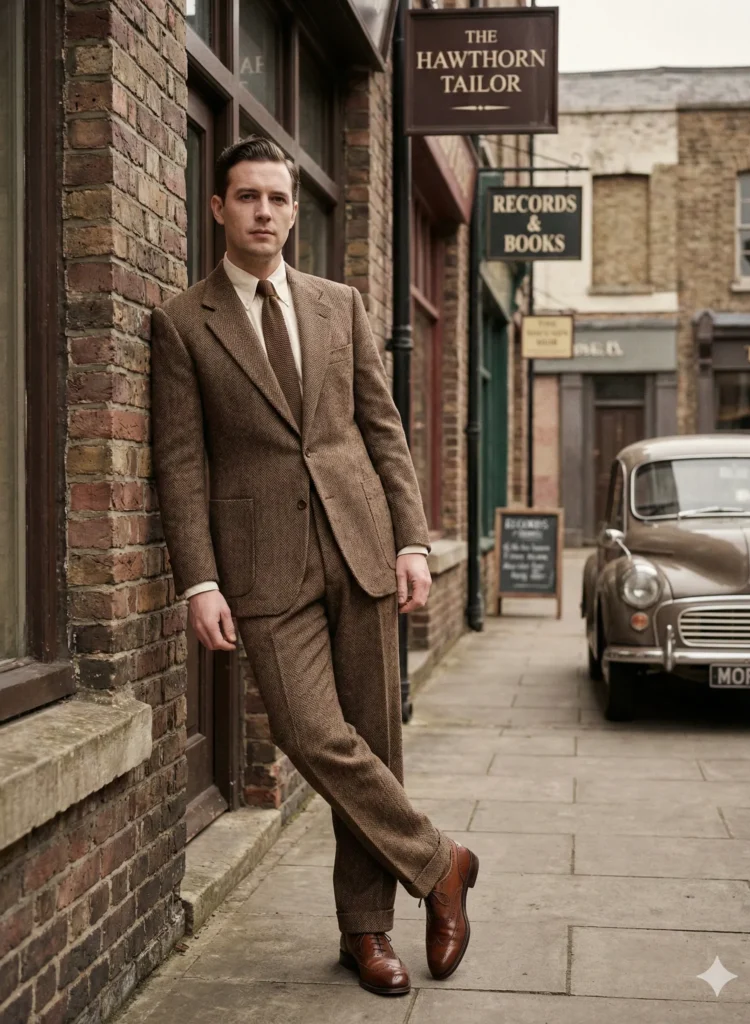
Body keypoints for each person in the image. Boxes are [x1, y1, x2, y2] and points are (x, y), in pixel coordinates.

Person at [150, 135, 479, 997]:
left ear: (295, 210)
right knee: (309, 733)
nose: (264, 212)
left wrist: (412, 538)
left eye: (278, 198)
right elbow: (180, 462)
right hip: (261, 566)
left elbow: (383, 429)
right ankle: (442, 863)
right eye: (247, 197)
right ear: (216, 207)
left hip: (362, 544)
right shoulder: (184, 322)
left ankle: (365, 933)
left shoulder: (340, 304)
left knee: (372, 743)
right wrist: (200, 579)